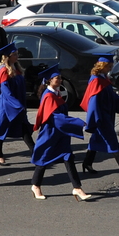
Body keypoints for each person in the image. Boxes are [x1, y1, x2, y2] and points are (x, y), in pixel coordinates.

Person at [30, 70, 93, 201]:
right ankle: (36, 186)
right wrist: (77, 122)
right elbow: (57, 118)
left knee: (68, 158)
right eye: (57, 78)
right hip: (50, 133)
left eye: (60, 78)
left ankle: (77, 188)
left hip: (60, 133)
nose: (60, 80)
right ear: (49, 80)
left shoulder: (56, 94)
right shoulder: (48, 96)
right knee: (44, 158)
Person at [81, 56, 119, 175]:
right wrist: (94, 118)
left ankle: (87, 163)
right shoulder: (96, 80)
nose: (110, 68)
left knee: (97, 139)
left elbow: (112, 95)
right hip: (100, 115)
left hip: (107, 113)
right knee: (111, 138)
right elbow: (93, 102)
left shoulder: (103, 78)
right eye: (109, 66)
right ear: (102, 66)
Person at [0, 46, 33, 164]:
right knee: (1, 128)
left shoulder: (17, 67)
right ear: (8, 57)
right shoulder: (4, 70)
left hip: (18, 103)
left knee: (24, 127)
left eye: (17, 54)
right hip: (6, 105)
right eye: (15, 54)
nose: (17, 56)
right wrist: (17, 105)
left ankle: (35, 152)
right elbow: (5, 91)